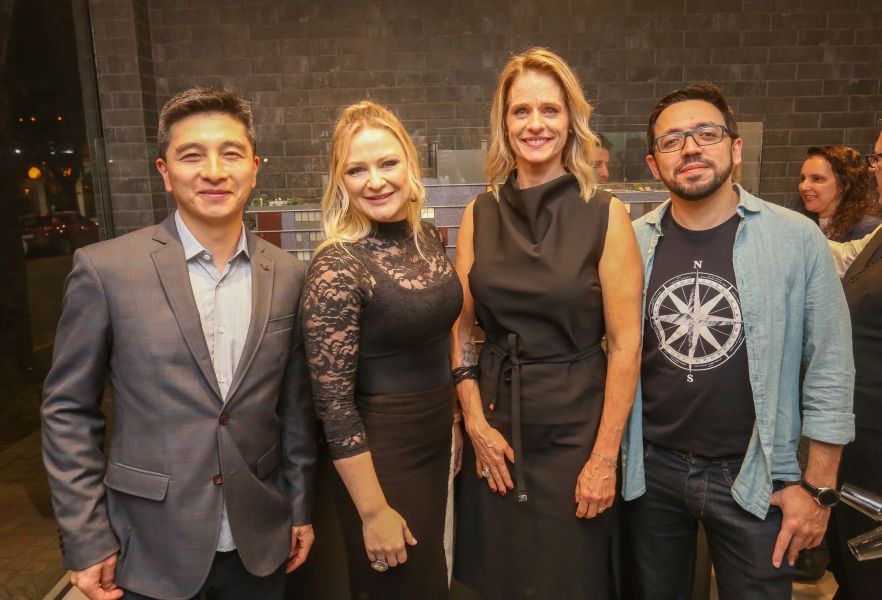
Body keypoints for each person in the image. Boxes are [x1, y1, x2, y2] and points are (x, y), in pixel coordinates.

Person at [41, 86, 317, 600]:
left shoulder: (289, 275)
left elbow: (294, 406)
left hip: (260, 540)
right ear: (165, 172)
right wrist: (86, 537)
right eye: (192, 155)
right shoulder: (105, 270)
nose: (213, 171)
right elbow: (68, 412)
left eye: (230, 153)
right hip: (148, 545)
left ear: (254, 168)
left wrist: (299, 507)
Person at [622, 82, 855, 600]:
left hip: (757, 474)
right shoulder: (632, 242)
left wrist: (818, 489)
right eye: (672, 141)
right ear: (654, 164)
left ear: (736, 148)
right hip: (651, 471)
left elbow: (831, 367)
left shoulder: (796, 239)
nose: (690, 149)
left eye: (706, 134)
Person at [452, 48, 643, 600]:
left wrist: (603, 458)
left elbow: (626, 346)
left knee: (570, 578)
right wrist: (474, 423)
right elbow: (458, 331)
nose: (535, 124)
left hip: (576, 431)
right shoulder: (478, 213)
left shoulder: (606, 214)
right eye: (521, 111)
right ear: (504, 123)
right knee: (500, 579)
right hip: (496, 427)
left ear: (571, 120)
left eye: (550, 110)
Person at [301, 101, 462, 600]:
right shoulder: (336, 266)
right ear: (340, 181)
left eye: (388, 163)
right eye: (357, 170)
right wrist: (372, 512)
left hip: (436, 437)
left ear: (410, 164)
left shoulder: (426, 236)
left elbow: (439, 337)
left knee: (430, 580)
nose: (375, 181)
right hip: (383, 454)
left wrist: (455, 420)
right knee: (399, 586)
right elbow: (333, 406)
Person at [825, 129, 882, 600]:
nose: (876, 168)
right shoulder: (879, 233)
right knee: (854, 569)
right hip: (858, 437)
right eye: (876, 157)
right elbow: (844, 260)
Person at [798, 144, 880, 242]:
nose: (803, 186)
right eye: (802, 179)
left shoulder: (868, 230)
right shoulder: (801, 226)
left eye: (817, 179)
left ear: (845, 185)